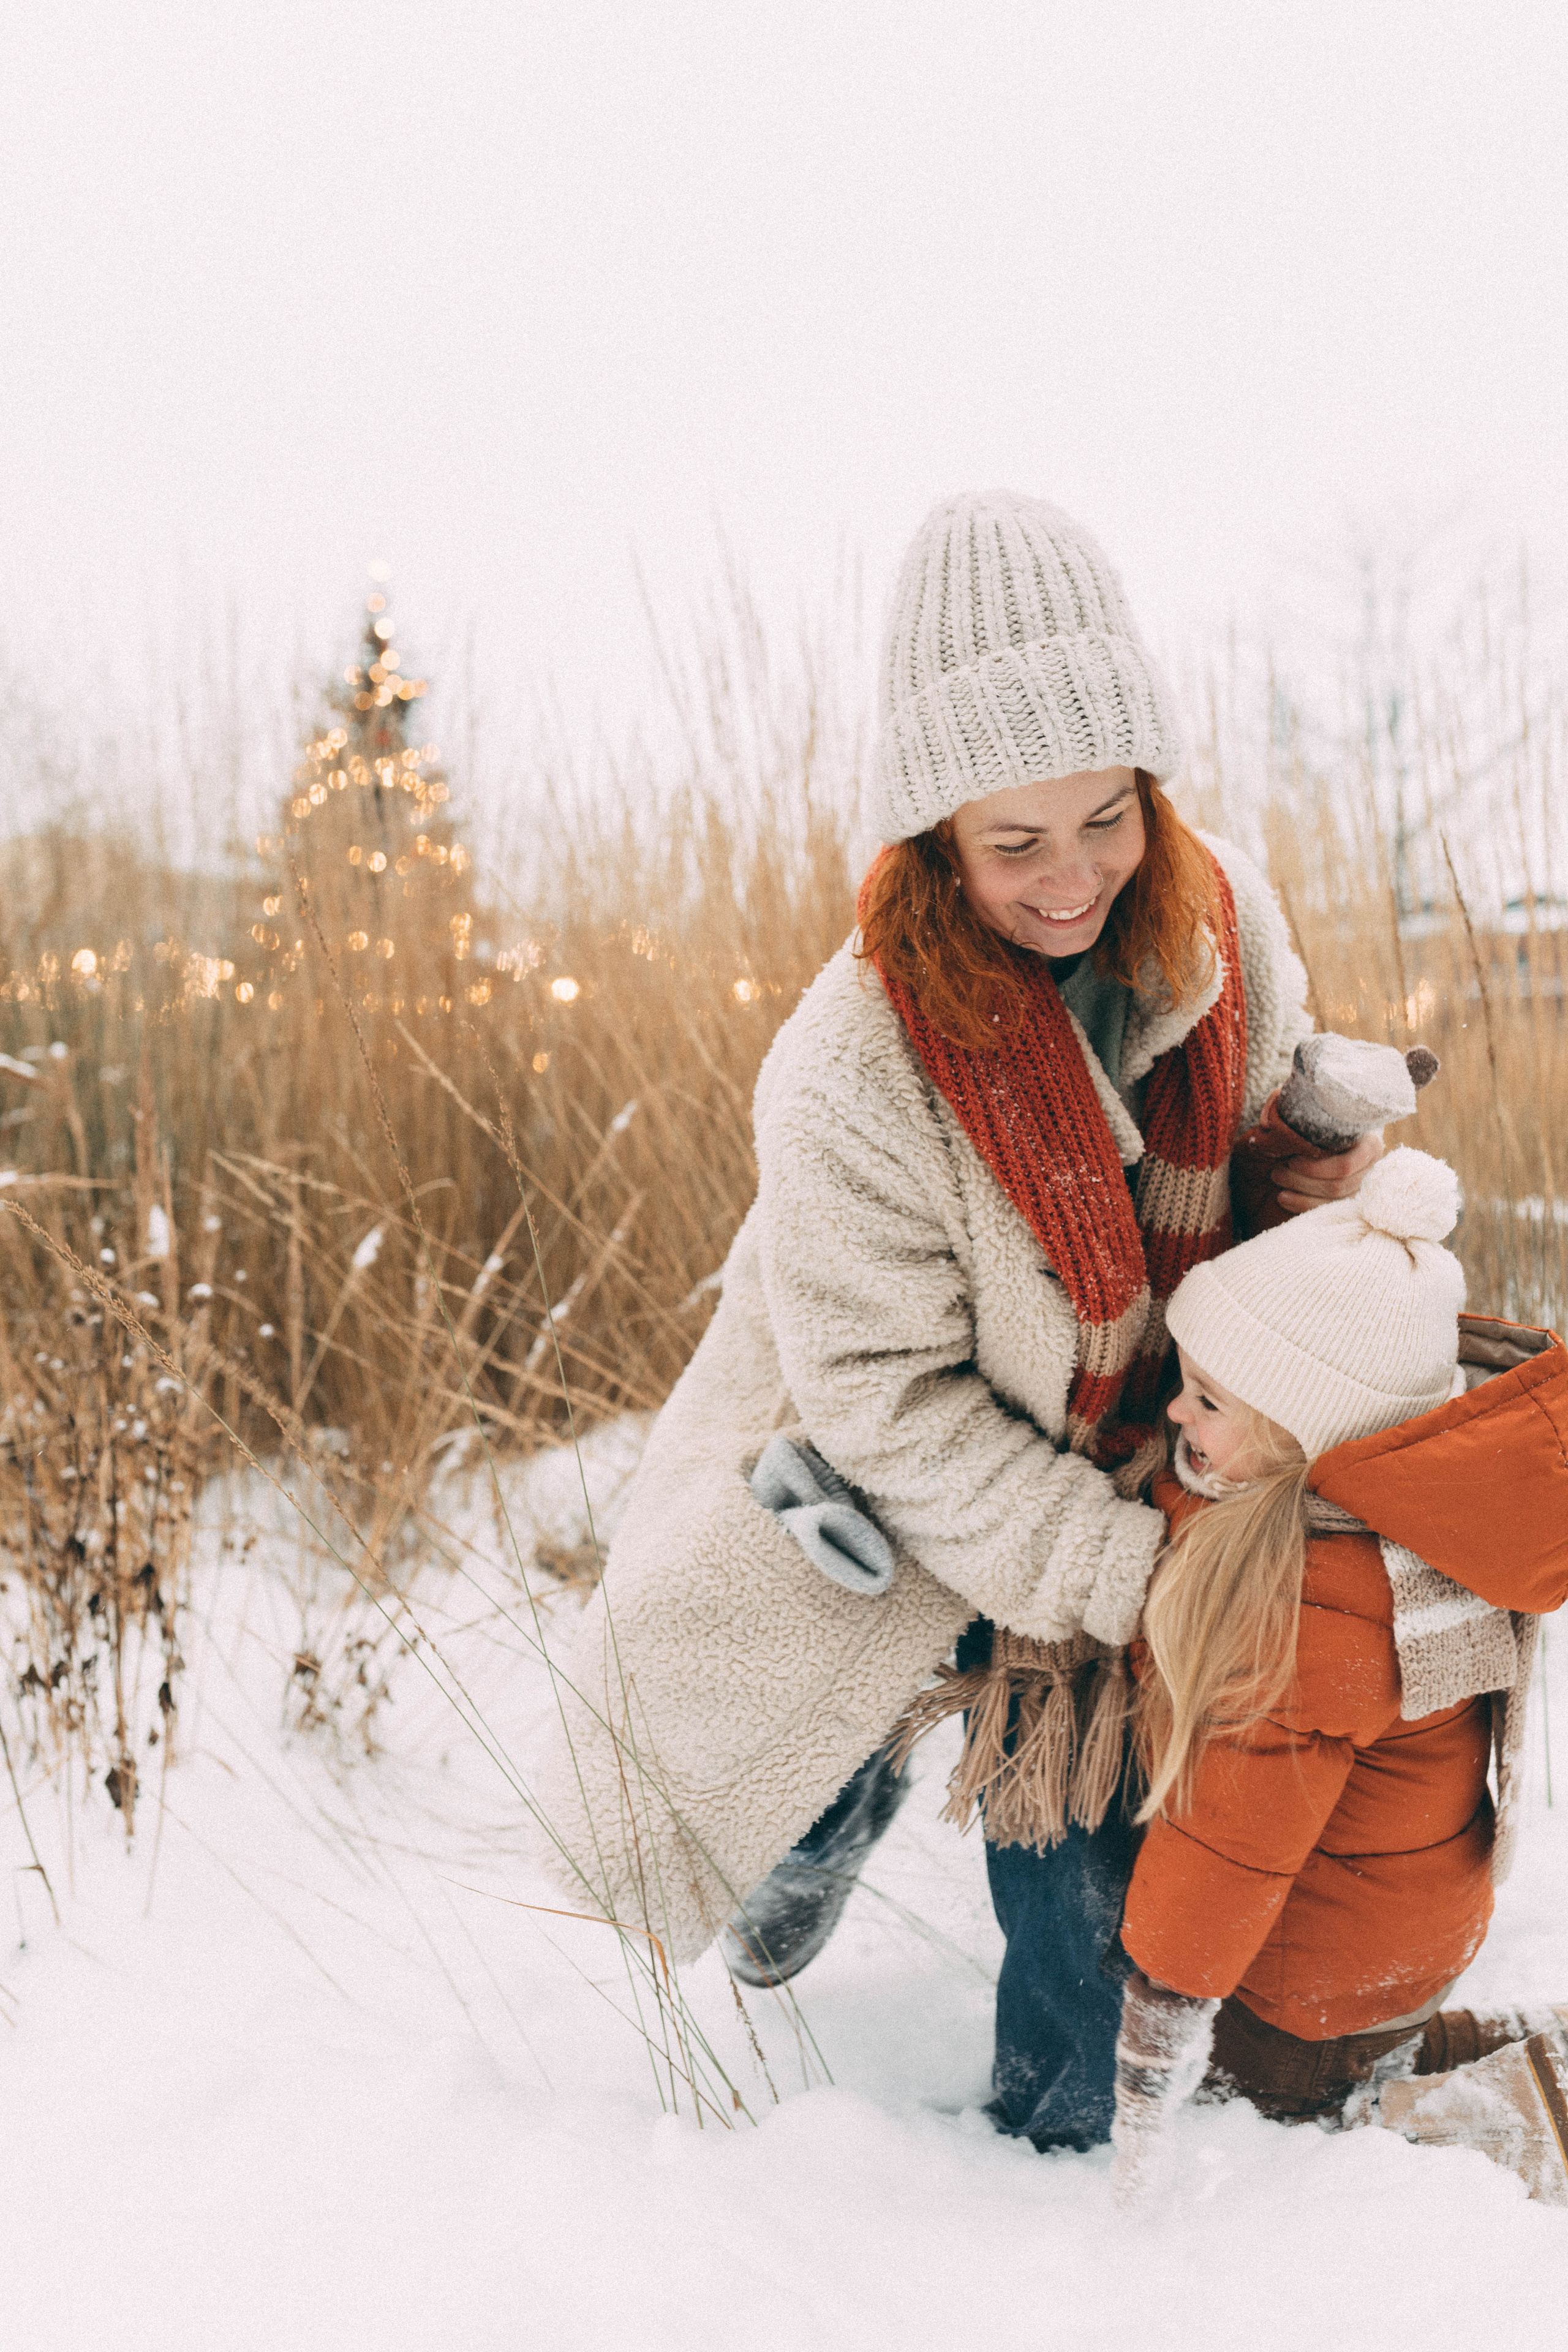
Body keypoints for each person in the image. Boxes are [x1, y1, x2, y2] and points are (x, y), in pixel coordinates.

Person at [536, 488, 1381, 2149]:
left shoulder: (1221, 932)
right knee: (876, 1677)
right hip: (907, 1450)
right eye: (1016, 843)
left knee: (1089, 1832)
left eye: (1106, 819)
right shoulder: (853, 1069)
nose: (1073, 878)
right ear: (932, 838)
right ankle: (819, 1814)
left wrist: (1317, 1170)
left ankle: (1088, 2127)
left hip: (1156, 1413)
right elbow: (895, 1416)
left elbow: (1266, 1140)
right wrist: (1125, 1571)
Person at [1109, 1148, 1568, 2202]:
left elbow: (1226, 1840)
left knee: (1289, 2118)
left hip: (1303, 1994)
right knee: (1365, 2047)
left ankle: (1403, 2131)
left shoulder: (1308, 1612)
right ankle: (1398, 2058)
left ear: (1303, 1435)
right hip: (1398, 1927)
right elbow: (1214, 1491)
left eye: (1208, 1403)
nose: (1179, 1416)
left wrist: (1159, 2021)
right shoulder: (1383, 1521)